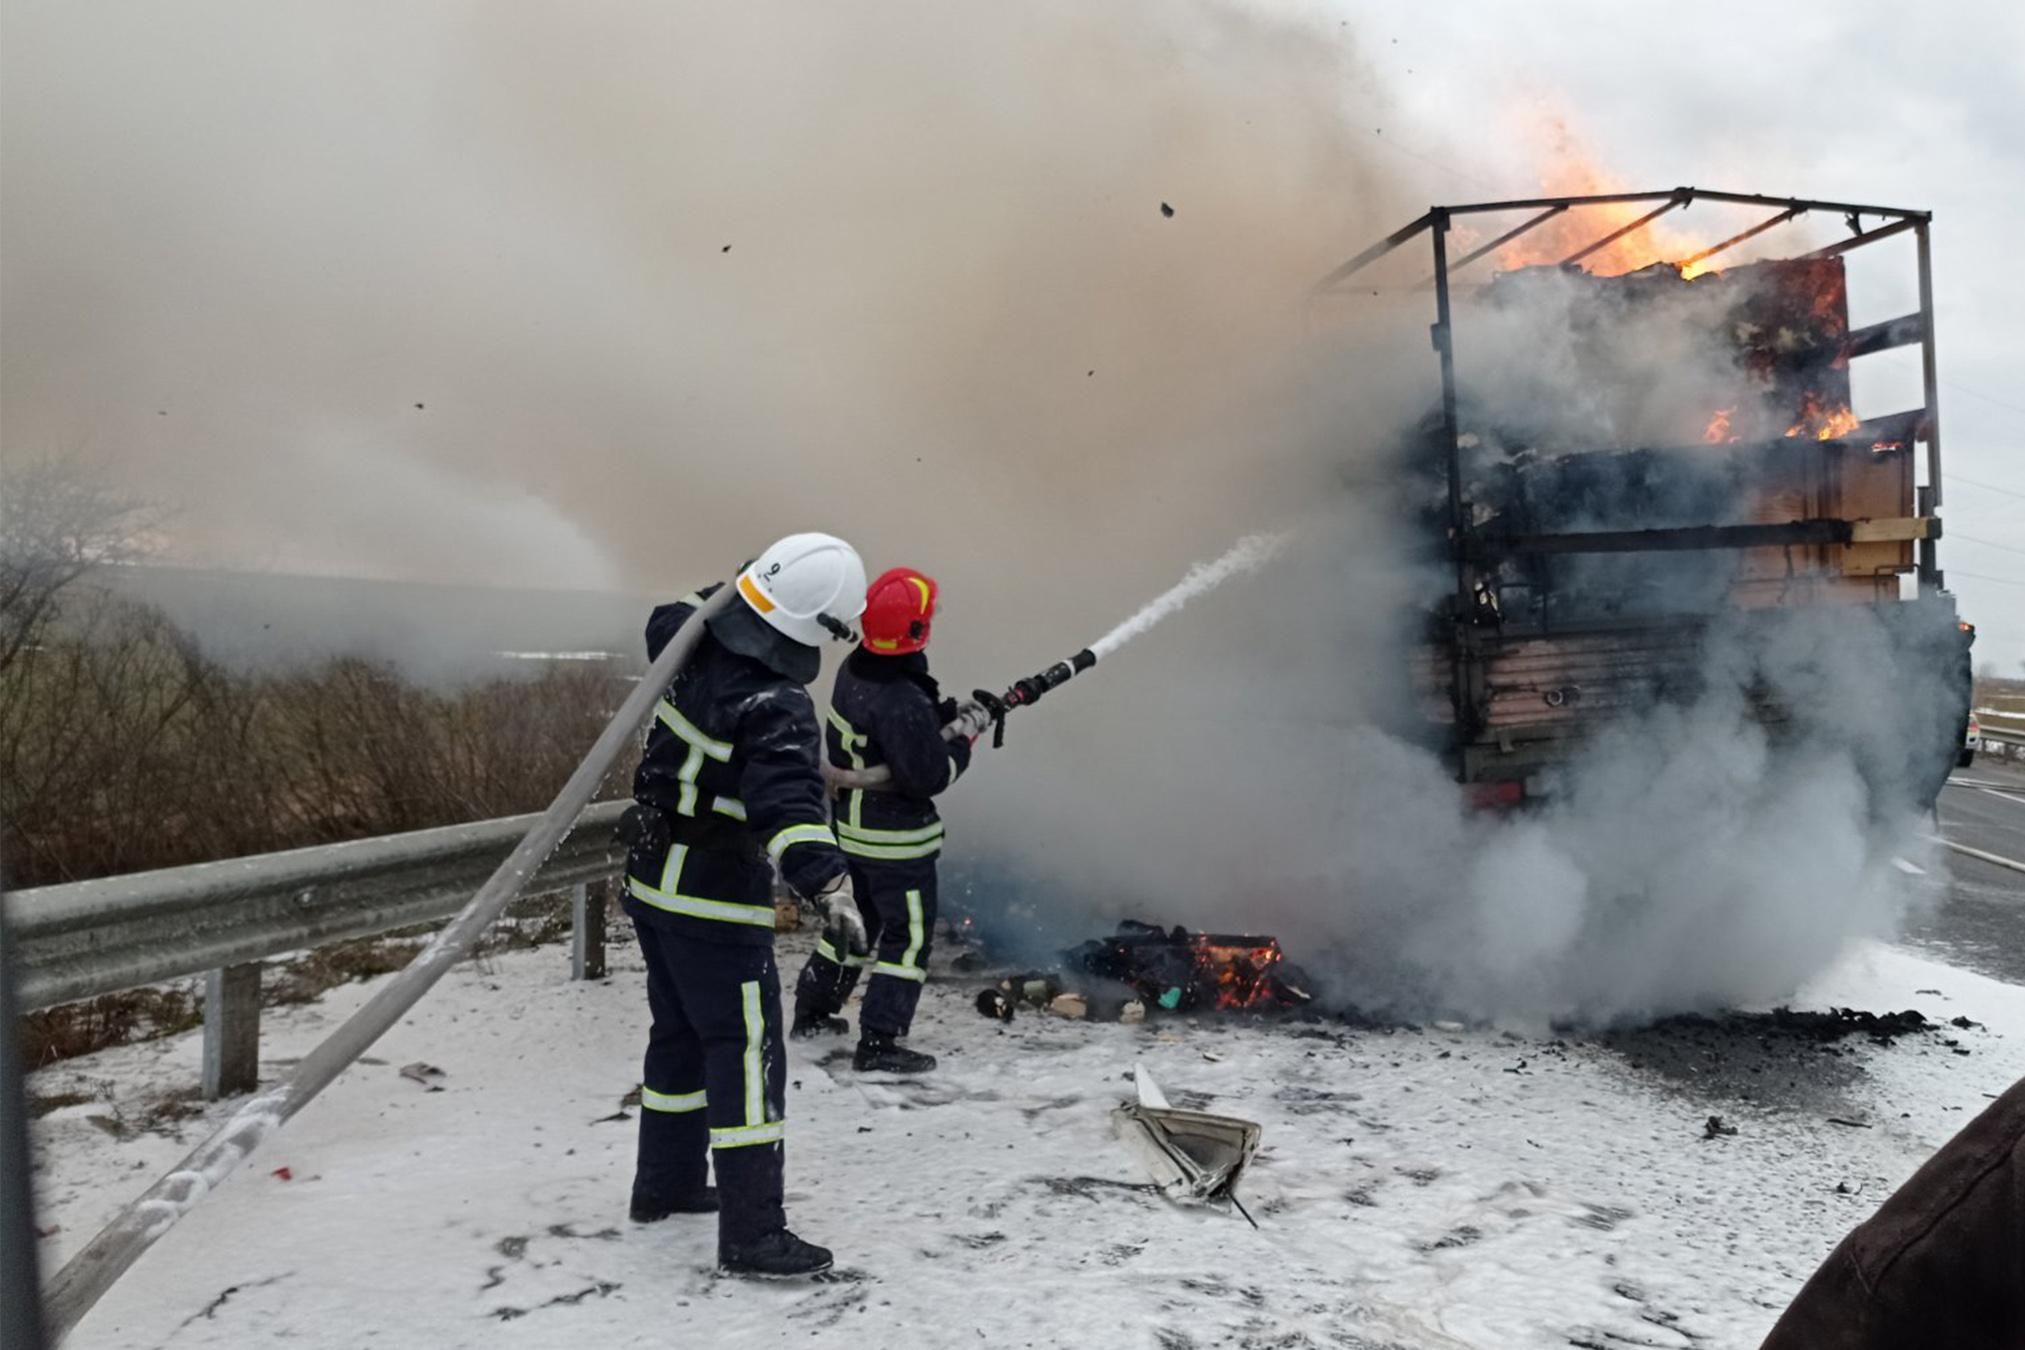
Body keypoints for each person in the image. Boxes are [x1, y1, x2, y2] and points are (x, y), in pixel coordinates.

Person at [618, 532, 872, 1279]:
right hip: (712, 898)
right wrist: (829, 884)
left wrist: (751, 580)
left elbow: (687, 605)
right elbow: (789, 805)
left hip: (652, 883)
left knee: (678, 1037)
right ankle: (754, 1234)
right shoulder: (776, 703)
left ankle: (662, 1186)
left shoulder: (684, 636)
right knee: (747, 1050)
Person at [790, 566, 988, 1073]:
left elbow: (893, 730)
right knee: (908, 938)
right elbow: (928, 775)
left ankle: (812, 1013)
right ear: (914, 630)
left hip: (852, 831)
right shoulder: (901, 700)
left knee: (852, 925)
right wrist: (967, 738)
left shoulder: (856, 670)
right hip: (897, 844)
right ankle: (879, 1042)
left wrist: (946, 713)